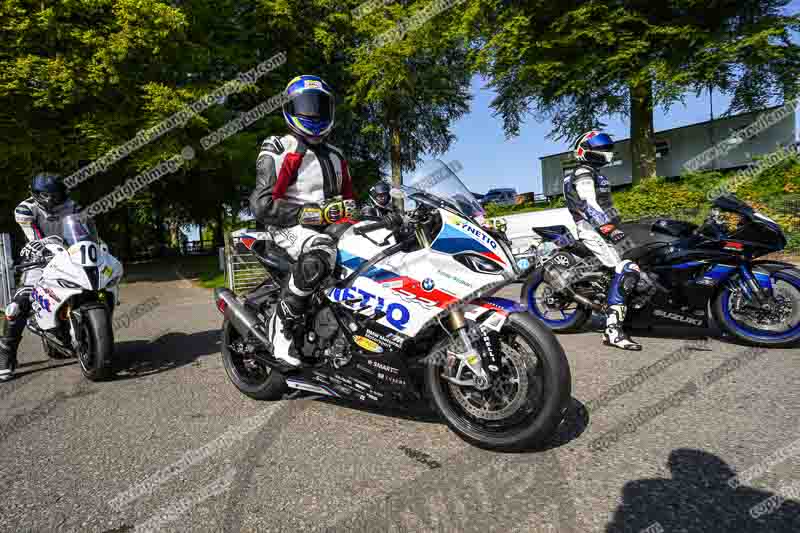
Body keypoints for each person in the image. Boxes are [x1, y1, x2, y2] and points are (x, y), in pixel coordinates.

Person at [249, 74, 358, 368]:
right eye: (306, 106)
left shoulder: (337, 155)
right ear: (290, 108)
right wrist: (306, 214)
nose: (314, 113)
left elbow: (349, 201)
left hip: (326, 226)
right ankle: (280, 326)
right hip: (286, 226)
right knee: (321, 252)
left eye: (320, 106)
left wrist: (362, 214)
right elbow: (261, 204)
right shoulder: (279, 147)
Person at [563, 130, 642, 351]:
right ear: (587, 151)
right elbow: (588, 205)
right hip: (592, 230)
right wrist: (608, 228)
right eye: (602, 149)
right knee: (626, 269)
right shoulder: (583, 172)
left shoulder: (596, 173)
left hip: (604, 229)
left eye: (608, 148)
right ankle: (612, 331)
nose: (607, 153)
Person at [1, 173, 81, 381]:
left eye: (59, 193)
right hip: (40, 259)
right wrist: (50, 246)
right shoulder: (25, 210)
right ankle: (6, 354)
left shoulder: (72, 205)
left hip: (71, 256)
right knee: (18, 304)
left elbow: (83, 231)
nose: (58, 198)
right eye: (53, 195)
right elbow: (36, 239)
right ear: (41, 196)